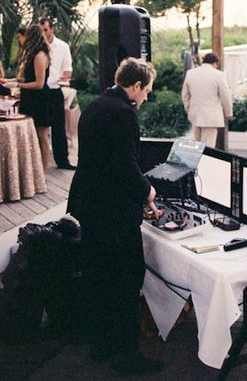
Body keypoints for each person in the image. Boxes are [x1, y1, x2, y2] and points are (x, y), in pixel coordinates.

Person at [67, 57, 164, 376]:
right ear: (135, 85)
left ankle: (102, 344)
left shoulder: (96, 105)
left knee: (100, 275)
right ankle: (126, 355)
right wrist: (148, 193)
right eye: (147, 90)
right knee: (127, 279)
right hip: (113, 212)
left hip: (89, 204)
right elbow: (125, 166)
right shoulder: (123, 114)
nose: (146, 96)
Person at [39, 18, 75, 170]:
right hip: (39, 91)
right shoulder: (37, 47)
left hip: (54, 89)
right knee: (40, 128)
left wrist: (62, 78)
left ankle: (62, 161)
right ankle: (38, 162)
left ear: (52, 29)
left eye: (45, 30)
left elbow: (68, 69)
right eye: (40, 31)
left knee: (58, 127)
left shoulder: (62, 46)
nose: (43, 33)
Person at [181, 51, 233, 148]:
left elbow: (185, 94)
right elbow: (226, 95)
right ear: (215, 63)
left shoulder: (191, 73)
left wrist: (188, 108)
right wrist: (228, 112)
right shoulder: (219, 75)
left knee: (197, 146)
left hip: (195, 115)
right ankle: (204, 163)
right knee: (208, 147)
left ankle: (199, 162)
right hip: (211, 117)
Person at [18, 25, 51, 170]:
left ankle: (43, 170)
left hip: (40, 99)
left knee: (42, 134)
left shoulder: (40, 56)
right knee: (34, 134)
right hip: (31, 99)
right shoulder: (32, 54)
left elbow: (39, 83)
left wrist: (20, 87)